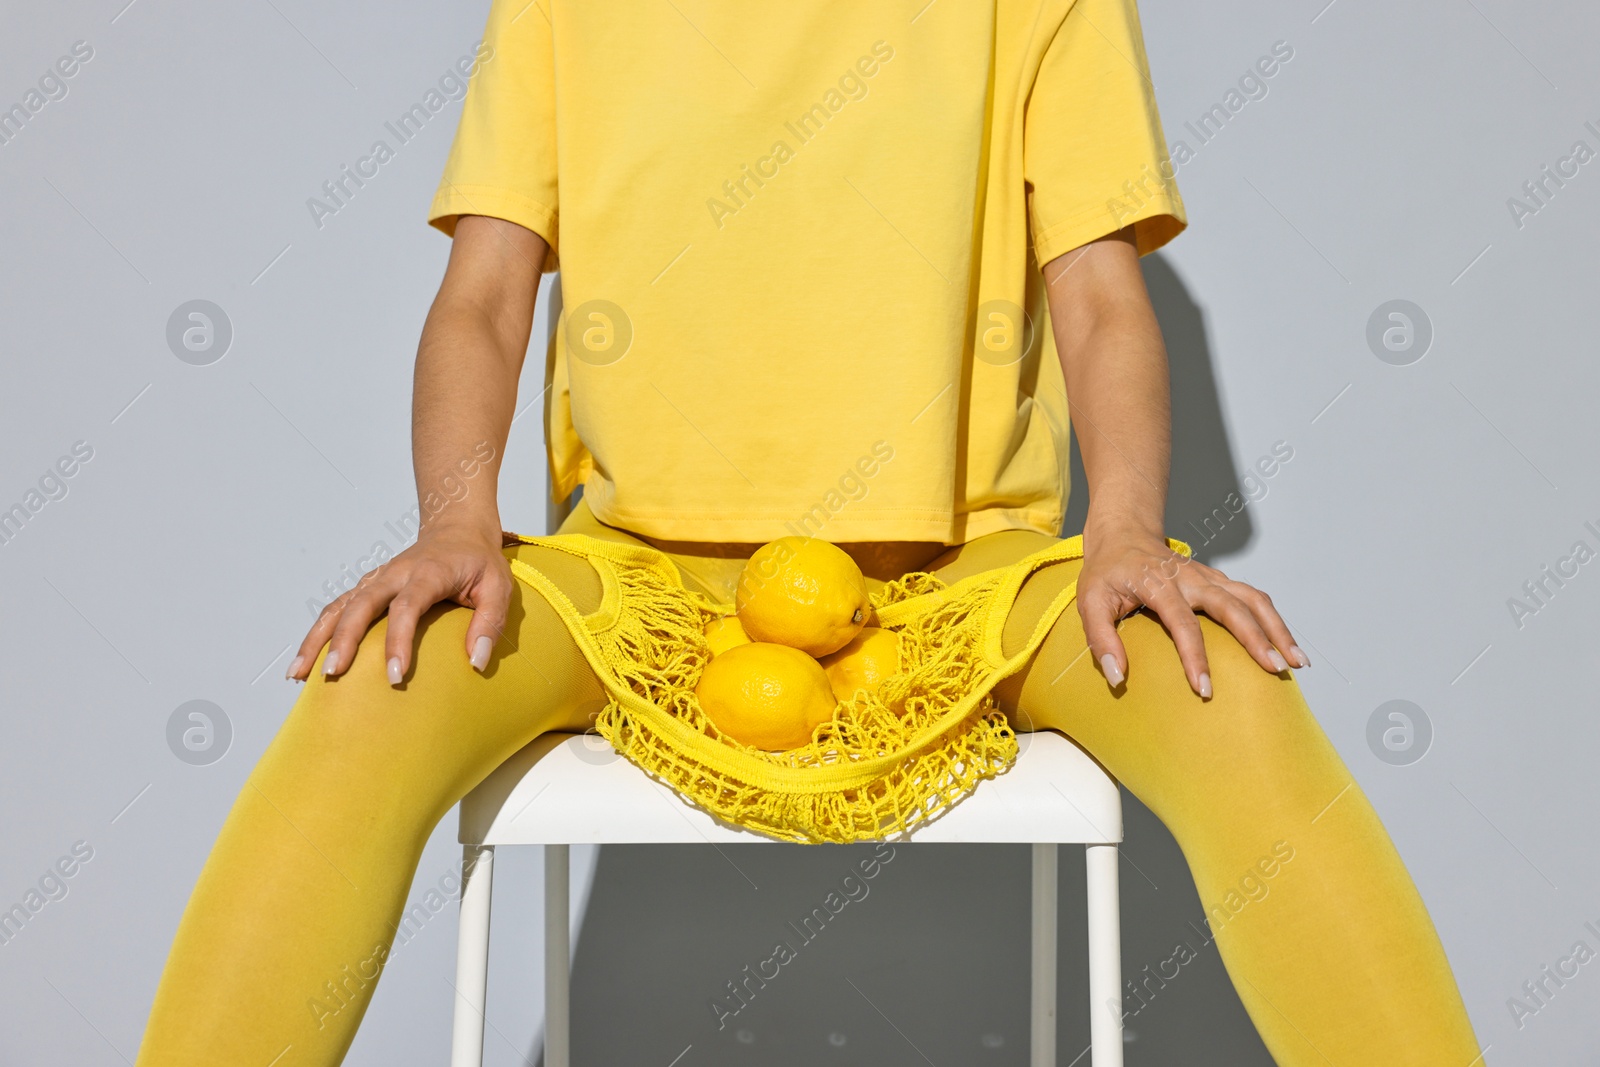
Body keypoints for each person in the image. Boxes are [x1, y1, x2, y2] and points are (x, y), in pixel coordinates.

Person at [134, 0, 1486, 1063]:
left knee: (1233, 695)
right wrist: (453, 523)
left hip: (972, 578)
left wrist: (1130, 530)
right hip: (635, 577)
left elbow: (1098, 298)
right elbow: (484, 297)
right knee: (380, 680)